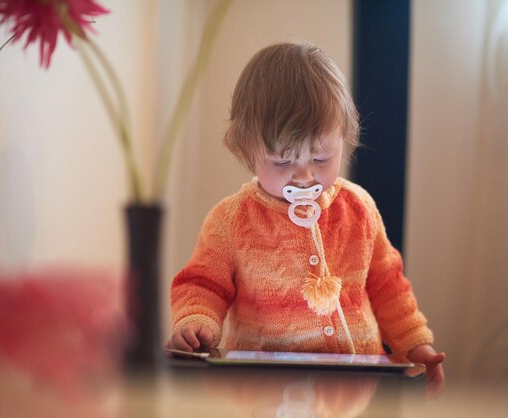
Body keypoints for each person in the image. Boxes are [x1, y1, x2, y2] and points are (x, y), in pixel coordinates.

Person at [167, 42, 445, 398]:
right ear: (247, 150)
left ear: (344, 139)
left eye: (322, 157)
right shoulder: (231, 220)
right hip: (263, 388)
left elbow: (388, 287)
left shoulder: (358, 208)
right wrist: (196, 322)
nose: (304, 177)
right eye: (282, 163)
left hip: (355, 388)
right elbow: (203, 285)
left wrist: (414, 344)